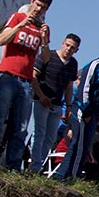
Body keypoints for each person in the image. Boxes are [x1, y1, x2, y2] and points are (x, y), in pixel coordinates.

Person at [0, 0, 53, 170]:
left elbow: (46, 58)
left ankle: (12, 164)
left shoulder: (42, 28)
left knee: (21, 125)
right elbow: (2, 39)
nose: (38, 9)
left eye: (43, 7)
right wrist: (20, 26)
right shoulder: (17, 17)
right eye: (37, 5)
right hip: (8, 75)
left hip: (26, 81)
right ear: (31, 2)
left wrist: (44, 41)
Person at [53, 39, 99, 179]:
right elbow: (84, 89)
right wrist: (86, 111)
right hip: (83, 111)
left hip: (95, 114)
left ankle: (72, 175)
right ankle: (64, 175)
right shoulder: (95, 65)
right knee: (77, 144)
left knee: (84, 147)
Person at [30, 33, 79, 173]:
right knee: (39, 133)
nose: (69, 49)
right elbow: (33, 76)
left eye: (73, 48)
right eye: (67, 45)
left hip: (57, 104)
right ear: (62, 43)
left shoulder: (73, 64)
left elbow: (69, 87)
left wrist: (68, 106)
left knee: (50, 137)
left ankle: (39, 166)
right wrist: (41, 95)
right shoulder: (48, 56)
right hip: (42, 100)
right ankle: (34, 165)